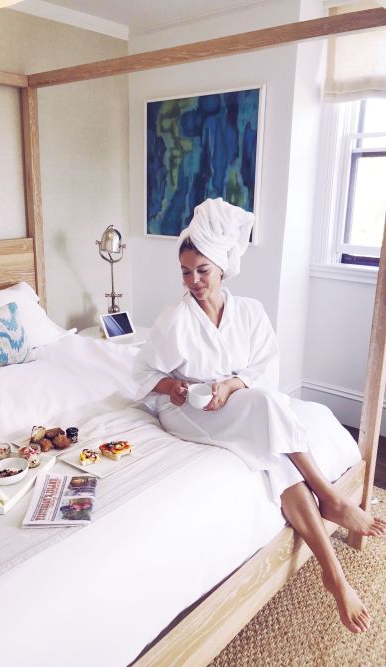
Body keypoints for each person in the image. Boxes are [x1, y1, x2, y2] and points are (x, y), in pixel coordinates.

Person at [133, 197, 386, 633]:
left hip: (234, 403)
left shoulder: (250, 312)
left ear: (222, 268)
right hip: (187, 412)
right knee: (267, 410)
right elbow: (141, 374)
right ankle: (330, 498)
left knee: (274, 453)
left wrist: (231, 385)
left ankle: (333, 573)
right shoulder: (174, 320)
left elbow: (266, 372)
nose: (193, 281)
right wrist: (173, 387)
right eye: (185, 272)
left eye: (202, 270)